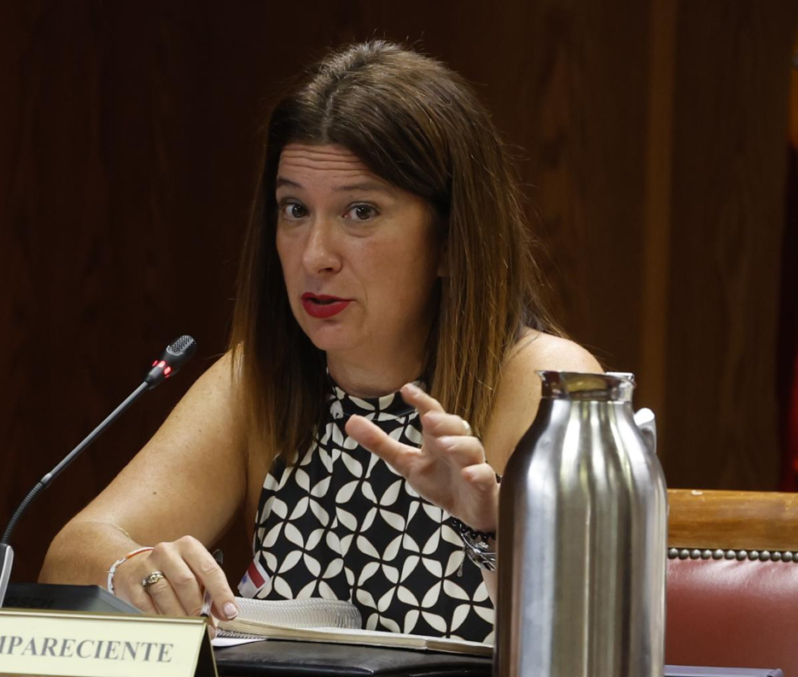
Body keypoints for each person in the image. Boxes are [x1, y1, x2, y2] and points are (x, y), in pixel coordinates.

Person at [40, 40, 601, 642]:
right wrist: (131, 570)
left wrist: (493, 537)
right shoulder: (258, 379)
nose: (315, 256)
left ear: (449, 239)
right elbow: (69, 557)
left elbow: (588, 638)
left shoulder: (545, 386)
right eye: (294, 209)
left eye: (361, 211)